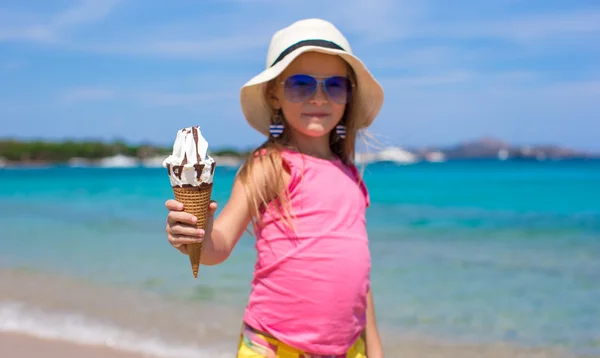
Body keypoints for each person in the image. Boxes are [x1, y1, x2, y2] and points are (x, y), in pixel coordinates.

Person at [164, 18, 385, 358]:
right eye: (301, 85)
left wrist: (375, 349)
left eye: (335, 86)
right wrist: (198, 236)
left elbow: (360, 279)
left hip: (348, 349)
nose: (318, 97)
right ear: (274, 94)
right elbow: (218, 247)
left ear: (349, 96)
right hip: (274, 347)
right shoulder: (272, 165)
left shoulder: (350, 175)